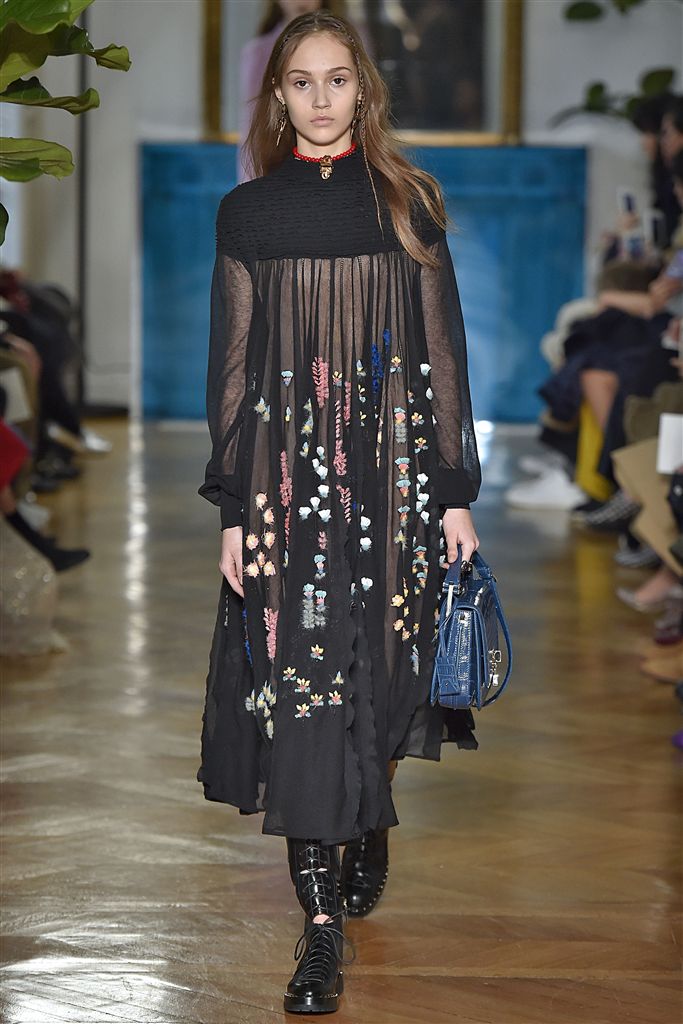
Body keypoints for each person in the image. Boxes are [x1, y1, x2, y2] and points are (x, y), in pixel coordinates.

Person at [198, 11, 481, 1015]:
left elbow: (443, 355)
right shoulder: (248, 213)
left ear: (364, 89)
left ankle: (369, 813)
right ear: (278, 97)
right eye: (300, 82)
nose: (319, 98)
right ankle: (319, 931)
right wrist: (232, 507)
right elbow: (232, 370)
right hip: (285, 493)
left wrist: (453, 494)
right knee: (304, 692)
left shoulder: (408, 202)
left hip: (396, 488)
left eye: (336, 79)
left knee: (384, 676)